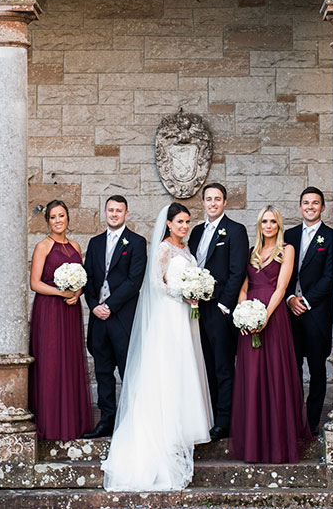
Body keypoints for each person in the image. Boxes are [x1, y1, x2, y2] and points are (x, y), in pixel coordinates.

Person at [102, 202, 213, 491]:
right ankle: (163, 432)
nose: (184, 226)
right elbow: (154, 284)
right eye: (179, 222)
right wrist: (182, 292)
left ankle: (180, 430)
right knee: (167, 370)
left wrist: (196, 292)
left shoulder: (186, 250)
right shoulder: (164, 248)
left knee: (183, 370)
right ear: (169, 224)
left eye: (187, 222)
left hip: (185, 317)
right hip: (168, 315)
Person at [231, 206, 310, 463]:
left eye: (273, 221)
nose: (268, 225)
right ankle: (253, 444)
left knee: (275, 373)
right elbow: (243, 287)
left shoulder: (287, 250)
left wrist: (264, 317)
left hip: (273, 317)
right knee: (252, 375)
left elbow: (281, 287)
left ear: (278, 225)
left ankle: (277, 444)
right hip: (250, 315)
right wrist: (244, 314)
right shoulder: (251, 252)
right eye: (264, 221)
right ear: (259, 225)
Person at [81, 195, 147, 439]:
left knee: (128, 371)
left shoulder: (137, 242)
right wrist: (94, 306)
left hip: (122, 319)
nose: (114, 214)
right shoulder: (95, 243)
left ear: (126, 213)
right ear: (105, 212)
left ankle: (131, 421)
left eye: (119, 210)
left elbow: (134, 281)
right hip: (98, 319)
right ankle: (106, 421)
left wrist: (109, 305)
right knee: (103, 372)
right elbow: (88, 278)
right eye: (111, 210)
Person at [187, 183, 248, 441]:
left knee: (223, 366)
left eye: (217, 199)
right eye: (208, 199)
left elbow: (237, 271)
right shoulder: (196, 231)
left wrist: (225, 304)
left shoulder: (235, 230)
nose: (212, 203)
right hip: (196, 308)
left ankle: (224, 421)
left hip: (220, 308)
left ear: (224, 202)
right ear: (203, 202)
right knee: (205, 364)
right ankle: (209, 416)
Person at [28, 200, 91, 440]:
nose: (58, 220)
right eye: (53, 217)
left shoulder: (75, 246)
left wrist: (77, 293)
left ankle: (72, 420)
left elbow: (81, 279)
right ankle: (52, 421)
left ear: (67, 218)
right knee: (51, 362)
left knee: (70, 360)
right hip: (49, 311)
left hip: (70, 310)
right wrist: (60, 293)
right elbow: (35, 283)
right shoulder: (43, 246)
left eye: (61, 215)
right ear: (48, 221)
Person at [283, 186, 333, 435]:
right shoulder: (289, 235)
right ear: (300, 206)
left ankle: (311, 424)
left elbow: (330, 275)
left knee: (316, 369)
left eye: (315, 203)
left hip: (316, 313)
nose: (310, 207)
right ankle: (292, 419)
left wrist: (306, 300)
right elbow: (282, 271)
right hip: (290, 313)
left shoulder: (331, 236)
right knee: (291, 368)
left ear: (322, 207)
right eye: (306, 202)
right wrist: (290, 298)